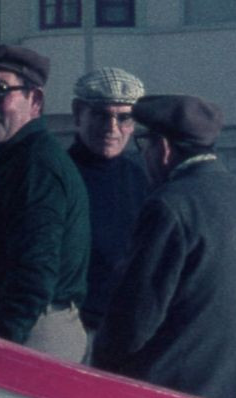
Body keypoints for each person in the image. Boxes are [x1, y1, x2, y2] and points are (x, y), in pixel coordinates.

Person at [91, 95, 236, 398]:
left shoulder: (171, 206)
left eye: (144, 147)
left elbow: (132, 322)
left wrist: (98, 374)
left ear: (164, 149)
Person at [0, 44, 90, 362]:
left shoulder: (35, 166)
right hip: (13, 325)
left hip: (31, 333)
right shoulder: (12, 159)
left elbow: (34, 272)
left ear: (35, 100)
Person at [66, 67, 150, 351]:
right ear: (78, 114)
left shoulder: (142, 177)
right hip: (75, 324)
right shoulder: (59, 175)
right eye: (101, 115)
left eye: (123, 117)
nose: (111, 129)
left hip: (126, 327)